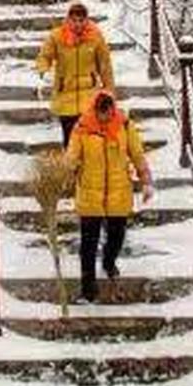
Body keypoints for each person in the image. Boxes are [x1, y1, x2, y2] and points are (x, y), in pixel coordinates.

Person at [64, 90, 153, 303]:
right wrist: (65, 173)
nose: (105, 117)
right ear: (95, 110)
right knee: (88, 244)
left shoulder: (124, 125)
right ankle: (88, 289)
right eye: (101, 113)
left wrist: (146, 181)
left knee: (116, 236)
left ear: (113, 109)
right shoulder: (82, 128)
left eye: (109, 112)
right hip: (89, 192)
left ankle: (109, 261)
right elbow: (72, 156)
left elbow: (137, 154)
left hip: (118, 191)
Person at [34, 0, 113, 145]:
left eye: (81, 20)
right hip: (65, 94)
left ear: (86, 20)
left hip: (89, 94)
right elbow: (44, 56)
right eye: (74, 20)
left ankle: (88, 166)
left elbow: (105, 66)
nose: (77, 24)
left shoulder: (95, 37)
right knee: (69, 139)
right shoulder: (56, 36)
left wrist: (109, 91)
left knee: (89, 139)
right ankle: (71, 166)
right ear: (68, 19)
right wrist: (43, 71)